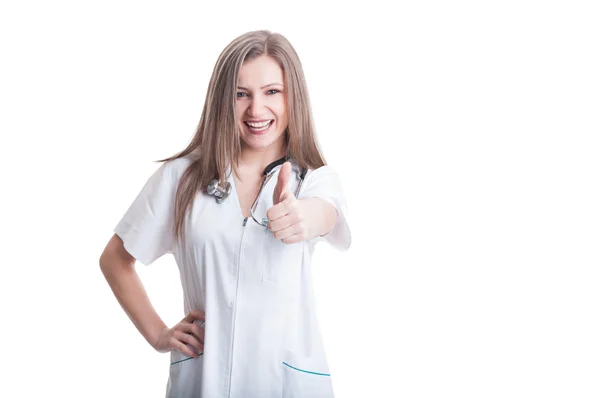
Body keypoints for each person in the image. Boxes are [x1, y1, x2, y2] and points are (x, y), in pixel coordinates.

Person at [99, 29, 351, 398]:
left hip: (286, 385)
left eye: (272, 92)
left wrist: (301, 217)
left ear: (293, 97)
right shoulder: (181, 179)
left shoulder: (311, 181)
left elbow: (323, 215)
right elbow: (115, 259)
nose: (256, 109)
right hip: (204, 382)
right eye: (240, 94)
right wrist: (158, 335)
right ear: (222, 99)